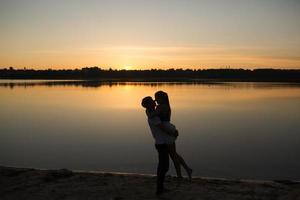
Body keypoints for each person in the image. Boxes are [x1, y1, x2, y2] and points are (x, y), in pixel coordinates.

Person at [155, 91, 193, 181]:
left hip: (167, 130)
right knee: (174, 154)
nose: (155, 100)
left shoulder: (162, 107)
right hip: (166, 129)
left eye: (157, 98)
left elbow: (153, 115)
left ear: (162, 98)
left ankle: (179, 175)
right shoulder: (163, 106)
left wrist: (148, 110)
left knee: (173, 156)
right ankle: (187, 169)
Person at [141, 96, 175, 195]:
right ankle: (159, 189)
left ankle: (160, 188)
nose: (155, 101)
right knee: (163, 167)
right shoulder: (153, 117)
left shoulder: (150, 112)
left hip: (161, 142)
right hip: (161, 144)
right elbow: (162, 128)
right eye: (152, 101)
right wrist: (173, 133)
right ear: (149, 105)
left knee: (164, 166)